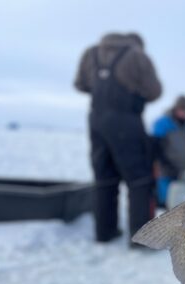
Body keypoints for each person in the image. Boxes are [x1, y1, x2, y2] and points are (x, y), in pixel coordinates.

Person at [74, 32, 162, 245]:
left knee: (104, 178)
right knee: (139, 179)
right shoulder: (136, 55)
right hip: (126, 120)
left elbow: (80, 84)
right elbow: (154, 91)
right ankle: (141, 239)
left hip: (96, 120)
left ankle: (104, 232)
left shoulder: (91, 53)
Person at [152, 95, 185, 208]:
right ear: (176, 108)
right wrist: (164, 164)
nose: (183, 113)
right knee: (164, 203)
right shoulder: (162, 123)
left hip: (181, 172)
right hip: (165, 171)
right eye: (181, 110)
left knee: (178, 204)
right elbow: (155, 147)